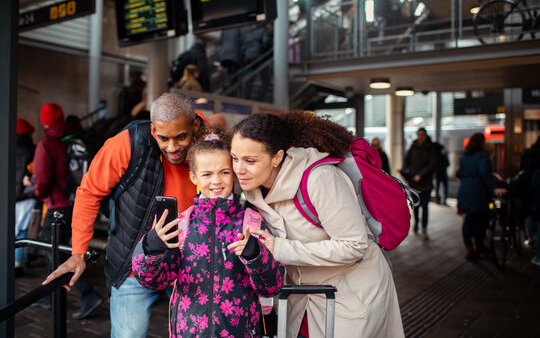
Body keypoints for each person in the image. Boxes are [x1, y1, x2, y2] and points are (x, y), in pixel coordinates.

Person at [43, 92, 204, 337]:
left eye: (181, 137)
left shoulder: (211, 140)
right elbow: (88, 192)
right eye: (163, 138)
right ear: (153, 129)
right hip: (132, 262)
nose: (172, 147)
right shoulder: (128, 143)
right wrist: (78, 253)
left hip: (190, 266)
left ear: (194, 126)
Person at [230, 112, 404, 338]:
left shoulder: (320, 178)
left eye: (250, 161)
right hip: (303, 297)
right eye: (234, 158)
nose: (239, 169)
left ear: (277, 157)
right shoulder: (254, 186)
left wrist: (280, 248)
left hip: (352, 293)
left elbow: (354, 245)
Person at [132, 127, 285, 337]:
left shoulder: (252, 222)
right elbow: (153, 281)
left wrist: (255, 255)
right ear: (194, 177)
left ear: (234, 174)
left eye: (224, 172)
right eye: (207, 174)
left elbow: (272, 286)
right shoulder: (182, 224)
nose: (216, 181)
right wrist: (150, 247)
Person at [32, 103, 103, 318]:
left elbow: (42, 180)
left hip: (56, 206)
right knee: (56, 250)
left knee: (57, 254)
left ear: (44, 121)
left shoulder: (46, 145)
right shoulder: (71, 141)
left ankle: (88, 294)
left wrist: (40, 193)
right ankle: (48, 295)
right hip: (73, 204)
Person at [457, 133, 506, 260]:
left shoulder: (465, 156)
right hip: (478, 191)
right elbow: (484, 174)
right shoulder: (482, 155)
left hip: (465, 189)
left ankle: (469, 248)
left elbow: (460, 172)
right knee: (481, 220)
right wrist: (493, 189)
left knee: (468, 220)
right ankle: (479, 246)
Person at [401, 127, 438, 240]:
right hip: (414, 183)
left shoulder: (431, 148)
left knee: (425, 206)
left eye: (422, 135)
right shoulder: (413, 146)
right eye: (419, 135)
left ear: (426, 136)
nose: (421, 137)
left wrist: (421, 175)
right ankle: (416, 222)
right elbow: (407, 161)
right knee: (416, 205)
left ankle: (424, 228)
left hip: (425, 183)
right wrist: (407, 172)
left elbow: (432, 164)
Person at [14, 118, 37, 275]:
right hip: (26, 195)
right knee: (22, 230)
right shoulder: (33, 149)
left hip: (8, 195)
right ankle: (17, 262)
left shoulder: (5, 144)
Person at [242, 23, 272, 101]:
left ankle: (245, 98)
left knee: (249, 80)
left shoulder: (250, 34)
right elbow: (266, 42)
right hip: (258, 57)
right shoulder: (263, 31)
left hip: (248, 59)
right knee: (266, 80)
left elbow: (243, 47)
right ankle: (258, 99)